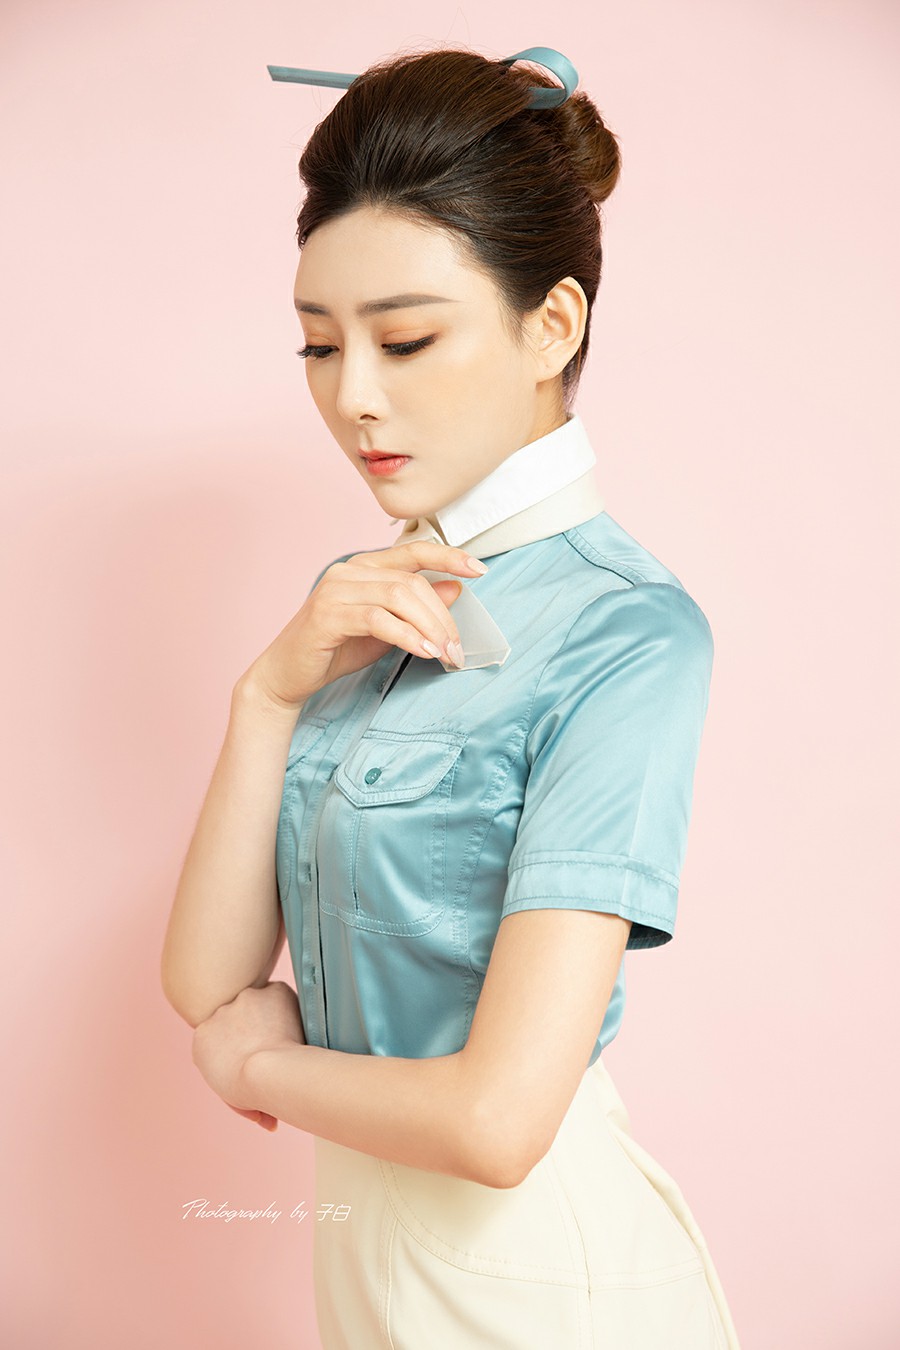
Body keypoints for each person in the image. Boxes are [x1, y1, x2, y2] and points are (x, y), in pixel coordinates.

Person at [161, 44, 741, 1348]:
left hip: (540, 1283)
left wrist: (262, 1067)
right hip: (369, 1256)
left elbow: (496, 1120)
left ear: (553, 326)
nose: (352, 395)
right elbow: (207, 982)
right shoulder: (360, 604)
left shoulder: (627, 634)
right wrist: (266, 694)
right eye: (320, 344)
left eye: (407, 338)